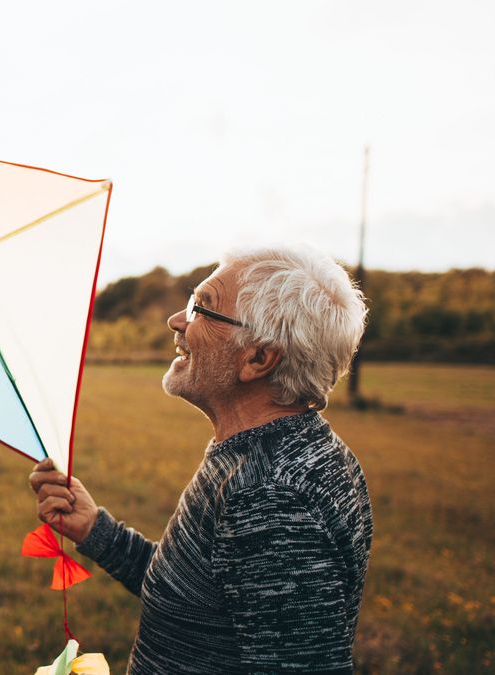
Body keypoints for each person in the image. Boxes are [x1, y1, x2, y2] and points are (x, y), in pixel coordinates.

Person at [30, 245, 373, 673]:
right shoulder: (265, 453)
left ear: (258, 358)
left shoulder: (270, 496)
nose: (177, 321)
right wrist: (97, 530)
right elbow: (196, 597)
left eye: (202, 309)